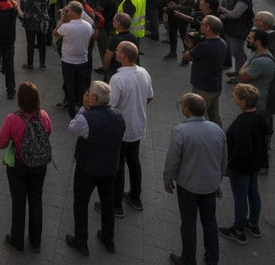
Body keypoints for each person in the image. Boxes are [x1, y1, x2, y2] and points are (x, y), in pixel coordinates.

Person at [164, 93, 226, 265]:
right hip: (210, 185)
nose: (182, 107)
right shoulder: (216, 129)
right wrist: (218, 180)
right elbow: (223, 159)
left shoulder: (181, 131)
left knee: (189, 223)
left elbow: (172, 160)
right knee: (210, 222)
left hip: (188, 185)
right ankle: (212, 257)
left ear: (187, 110)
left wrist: (167, 180)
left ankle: (188, 260)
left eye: (182, 105)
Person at [66, 81, 126, 257]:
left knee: (81, 201)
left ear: (94, 98)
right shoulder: (118, 116)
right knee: (107, 202)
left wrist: (84, 108)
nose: (87, 94)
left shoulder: (87, 117)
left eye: (89, 93)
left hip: (88, 168)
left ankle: (81, 240)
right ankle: (108, 238)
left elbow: (72, 128)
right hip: (110, 167)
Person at [0, 82, 52, 253]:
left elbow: (1, 143)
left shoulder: (12, 119)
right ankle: (36, 241)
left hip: (19, 166)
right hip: (39, 165)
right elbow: (48, 132)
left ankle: (17, 240)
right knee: (36, 200)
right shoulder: (43, 116)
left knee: (18, 202)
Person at [217, 84, 270, 246]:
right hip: (256, 162)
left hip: (242, 166)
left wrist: (231, 165)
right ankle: (253, 223)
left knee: (240, 195)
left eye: (236, 95)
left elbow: (241, 150)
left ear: (243, 101)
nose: (233, 95)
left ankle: (238, 230)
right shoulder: (263, 114)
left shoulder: (243, 123)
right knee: (253, 191)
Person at [108, 42, 153, 217]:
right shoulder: (143, 72)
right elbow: (149, 97)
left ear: (124, 56)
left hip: (121, 129)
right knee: (134, 161)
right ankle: (135, 196)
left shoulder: (118, 79)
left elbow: (111, 105)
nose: (115, 52)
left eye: (117, 50)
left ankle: (116, 203)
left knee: (118, 164)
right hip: (138, 126)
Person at [182, 16, 227, 126]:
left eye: (202, 24)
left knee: (201, 116)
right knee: (214, 114)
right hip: (215, 86)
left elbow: (187, 57)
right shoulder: (222, 42)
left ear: (208, 27)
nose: (200, 26)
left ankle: (205, 137)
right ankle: (218, 133)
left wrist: (189, 47)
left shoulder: (204, 46)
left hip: (203, 88)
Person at [54, 1, 94, 119]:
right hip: (83, 60)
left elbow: (55, 33)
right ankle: (82, 108)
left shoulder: (67, 27)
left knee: (70, 85)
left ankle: (72, 111)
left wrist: (62, 19)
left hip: (68, 61)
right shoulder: (88, 26)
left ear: (72, 12)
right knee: (81, 85)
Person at [221, 0, 254, 80]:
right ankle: (237, 71)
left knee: (237, 53)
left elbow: (235, 14)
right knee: (235, 52)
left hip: (239, 30)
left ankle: (241, 76)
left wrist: (222, 10)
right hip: (229, 28)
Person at [239, 30, 275, 111]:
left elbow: (242, 77)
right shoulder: (255, 53)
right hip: (252, 99)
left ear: (258, 42)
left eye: (249, 38)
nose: (247, 40)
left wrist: (243, 67)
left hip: (257, 104)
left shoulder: (261, 61)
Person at [19, 0, 49, 71]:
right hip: (41, 20)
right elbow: (47, 4)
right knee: (42, 42)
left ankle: (30, 64)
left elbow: (22, 6)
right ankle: (42, 63)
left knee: (30, 43)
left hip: (30, 20)